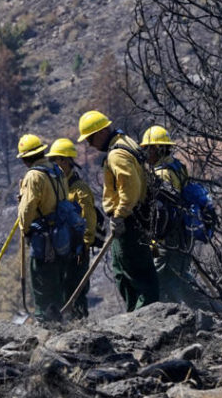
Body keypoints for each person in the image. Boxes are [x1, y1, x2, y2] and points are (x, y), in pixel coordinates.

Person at [77, 110, 159, 311]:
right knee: (123, 273)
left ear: (102, 132)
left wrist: (120, 215)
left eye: (90, 138)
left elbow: (129, 189)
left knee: (137, 273)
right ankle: (135, 315)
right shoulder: (127, 143)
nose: (90, 145)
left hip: (128, 221)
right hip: (135, 218)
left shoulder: (116, 154)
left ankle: (146, 319)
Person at [141, 125, 207, 308]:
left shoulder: (162, 174)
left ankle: (171, 320)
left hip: (171, 236)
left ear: (156, 148)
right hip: (183, 233)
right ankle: (214, 313)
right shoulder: (177, 167)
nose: (146, 154)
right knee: (181, 279)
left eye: (147, 149)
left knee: (162, 279)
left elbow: (164, 209)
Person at [16, 133, 70, 321]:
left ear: (25, 159)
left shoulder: (33, 176)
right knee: (56, 280)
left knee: (41, 280)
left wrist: (24, 228)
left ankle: (45, 322)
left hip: (43, 238)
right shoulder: (57, 171)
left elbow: (28, 207)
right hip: (61, 235)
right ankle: (58, 319)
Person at [46, 138, 96, 319]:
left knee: (76, 287)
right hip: (59, 247)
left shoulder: (80, 189)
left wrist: (86, 244)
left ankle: (79, 324)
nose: (53, 164)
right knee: (59, 287)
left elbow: (89, 217)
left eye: (56, 160)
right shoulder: (55, 187)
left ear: (66, 161)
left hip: (77, 248)